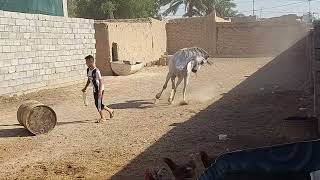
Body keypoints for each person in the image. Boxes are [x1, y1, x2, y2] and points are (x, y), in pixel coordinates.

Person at [82, 55, 114, 123]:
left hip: (100, 89)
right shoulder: (88, 70)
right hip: (95, 90)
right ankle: (110, 110)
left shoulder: (96, 71)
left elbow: (101, 81)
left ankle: (103, 118)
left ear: (91, 62)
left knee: (98, 104)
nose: (86, 63)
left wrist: (99, 92)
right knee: (98, 103)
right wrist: (85, 87)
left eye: (87, 62)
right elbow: (89, 79)